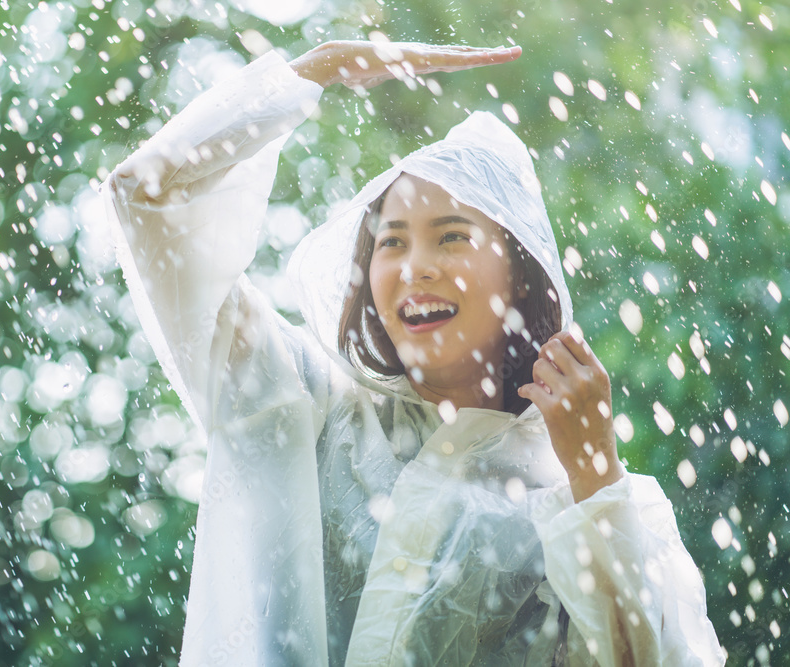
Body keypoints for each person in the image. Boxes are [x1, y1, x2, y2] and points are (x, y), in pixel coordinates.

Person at [103, 39, 724, 666]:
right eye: (392, 242)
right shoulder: (304, 405)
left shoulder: (587, 497)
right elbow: (147, 197)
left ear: (521, 274)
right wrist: (313, 71)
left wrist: (594, 477)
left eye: (451, 236)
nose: (415, 268)